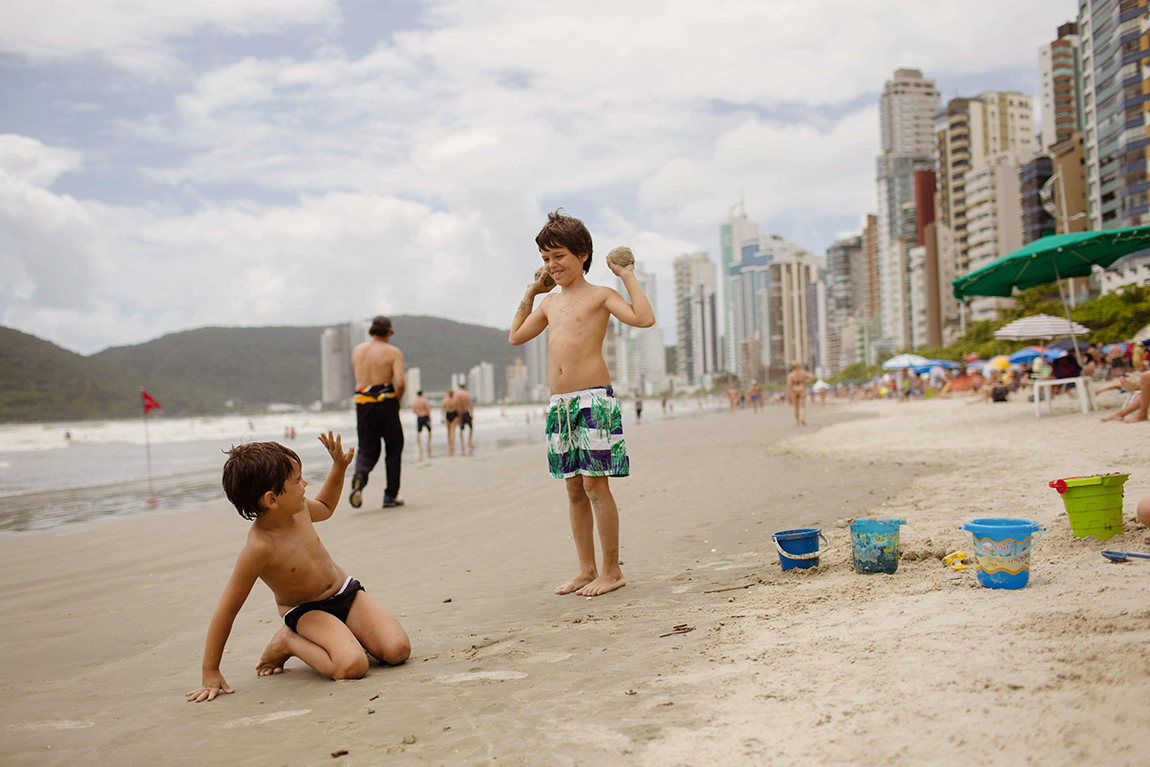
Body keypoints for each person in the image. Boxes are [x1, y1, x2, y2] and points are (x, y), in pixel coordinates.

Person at [185, 435, 410, 703]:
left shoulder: (299, 507)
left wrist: (338, 466)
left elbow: (326, 507)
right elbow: (227, 610)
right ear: (272, 499)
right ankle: (287, 642)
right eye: (297, 480)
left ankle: (343, 634)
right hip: (308, 611)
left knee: (397, 650)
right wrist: (210, 670)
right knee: (352, 666)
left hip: (345, 592)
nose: (305, 485)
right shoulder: (259, 548)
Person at [508, 209, 654, 597]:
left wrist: (626, 275)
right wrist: (530, 294)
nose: (551, 265)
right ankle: (586, 569)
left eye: (559, 256)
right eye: (545, 258)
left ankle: (612, 570)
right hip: (561, 406)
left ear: (582, 255)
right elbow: (516, 337)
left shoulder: (601, 295)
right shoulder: (550, 304)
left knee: (594, 485)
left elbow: (644, 318)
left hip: (594, 400)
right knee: (573, 488)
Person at [349, 316, 406, 509]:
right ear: (389, 332)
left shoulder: (357, 351)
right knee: (394, 447)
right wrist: (396, 401)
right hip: (385, 402)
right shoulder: (393, 352)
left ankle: (360, 477)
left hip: (363, 403)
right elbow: (400, 382)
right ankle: (390, 496)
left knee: (366, 448)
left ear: (372, 332)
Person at [787, 361, 815, 425]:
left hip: (794, 389)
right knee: (802, 406)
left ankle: (797, 422)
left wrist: (789, 395)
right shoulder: (803, 372)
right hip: (801, 388)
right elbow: (812, 377)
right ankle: (802, 418)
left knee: (796, 407)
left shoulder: (791, 375)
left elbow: (789, 385)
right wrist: (805, 382)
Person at [411, 390, 432, 459]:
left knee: (418, 432)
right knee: (429, 431)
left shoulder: (415, 401)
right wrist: (429, 417)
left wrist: (418, 413)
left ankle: (420, 446)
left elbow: (413, 410)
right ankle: (428, 444)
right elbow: (427, 409)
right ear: (422, 394)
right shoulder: (424, 400)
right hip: (425, 417)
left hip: (419, 417)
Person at [456, 383, 475, 454]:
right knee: (471, 428)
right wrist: (472, 413)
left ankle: (462, 443)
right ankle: (469, 441)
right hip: (466, 412)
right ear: (464, 387)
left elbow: (456, 405)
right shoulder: (466, 394)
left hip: (460, 413)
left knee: (461, 429)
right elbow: (470, 404)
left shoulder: (457, 395)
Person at [441, 388, 459, 456]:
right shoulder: (455, 400)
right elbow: (458, 409)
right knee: (453, 431)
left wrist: (442, 418)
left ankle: (449, 445)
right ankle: (452, 444)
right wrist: (458, 417)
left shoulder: (445, 400)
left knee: (448, 431)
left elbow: (443, 409)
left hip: (448, 415)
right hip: (454, 414)